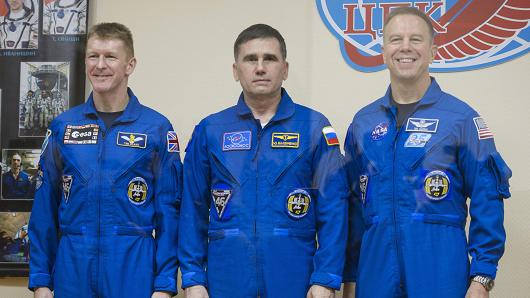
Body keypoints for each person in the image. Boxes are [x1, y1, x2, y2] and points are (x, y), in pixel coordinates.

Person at [342, 7, 512, 298]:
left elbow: (488, 199)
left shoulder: (461, 120)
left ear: (433, 51)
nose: (405, 47)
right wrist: (350, 277)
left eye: (416, 39)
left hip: (440, 271)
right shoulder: (363, 123)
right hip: (375, 274)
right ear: (383, 52)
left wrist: (481, 277)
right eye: (396, 39)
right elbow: (353, 211)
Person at [178, 24, 349, 298]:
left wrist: (326, 278)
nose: (260, 67)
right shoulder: (211, 130)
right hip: (226, 280)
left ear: (285, 68)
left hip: (295, 279)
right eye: (250, 59)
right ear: (236, 70)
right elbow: (192, 209)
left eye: (269, 58)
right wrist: (192, 276)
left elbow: (334, 209)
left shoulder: (315, 128)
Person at [28, 22, 182, 298]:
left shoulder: (156, 128)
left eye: (110, 56)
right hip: (72, 268)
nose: (100, 65)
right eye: (93, 56)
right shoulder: (63, 127)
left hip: (133, 269)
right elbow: (44, 208)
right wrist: (41, 280)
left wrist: (164, 284)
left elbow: (170, 212)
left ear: (130, 65)